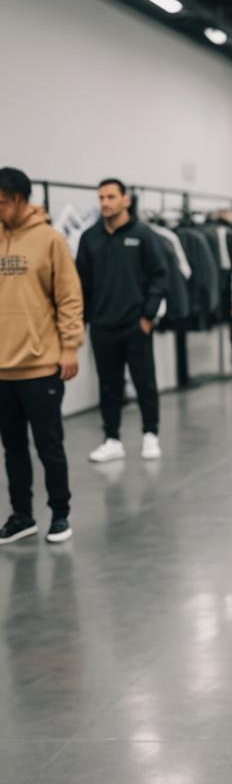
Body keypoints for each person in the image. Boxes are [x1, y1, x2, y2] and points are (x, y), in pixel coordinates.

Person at [0, 166, 83, 544]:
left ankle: (60, 514)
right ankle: (21, 515)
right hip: (3, 368)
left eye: (1, 202)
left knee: (49, 445)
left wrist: (69, 347)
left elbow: (69, 297)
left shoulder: (50, 239)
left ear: (19, 200)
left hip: (41, 365)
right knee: (12, 446)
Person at [76, 178, 169, 463]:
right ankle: (112, 439)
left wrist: (147, 315)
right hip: (102, 326)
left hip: (135, 324)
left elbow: (160, 274)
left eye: (111, 197)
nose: (105, 202)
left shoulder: (143, 234)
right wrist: (83, 320)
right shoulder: (90, 237)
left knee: (144, 382)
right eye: (101, 197)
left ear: (125, 200)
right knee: (108, 384)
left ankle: (150, 434)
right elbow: (81, 283)